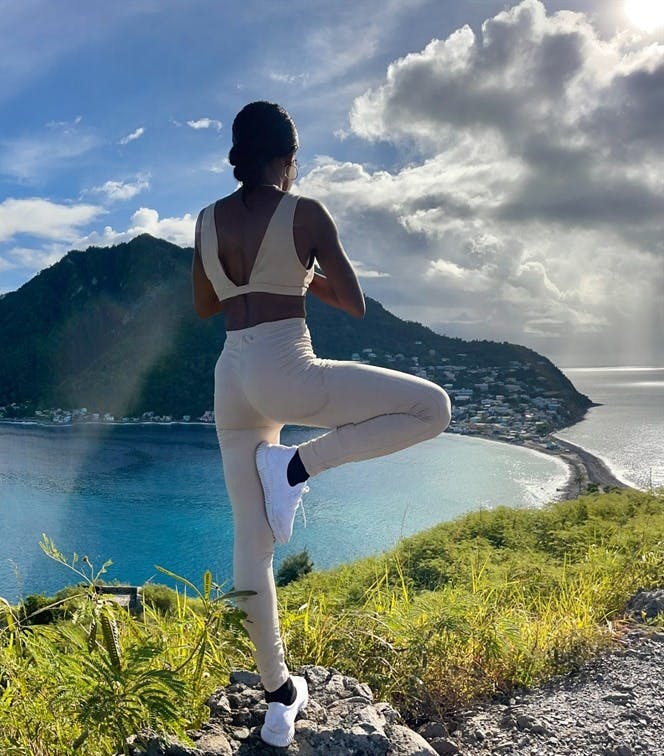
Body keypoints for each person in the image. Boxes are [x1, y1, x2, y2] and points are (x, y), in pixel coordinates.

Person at [191, 101, 452, 748]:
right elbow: (354, 301)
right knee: (433, 408)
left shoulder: (204, 221)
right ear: (286, 159)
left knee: (251, 544)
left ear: (236, 154)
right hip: (288, 366)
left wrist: (256, 277)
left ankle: (279, 697)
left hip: (231, 378)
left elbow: (205, 304)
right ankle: (299, 465)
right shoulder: (303, 212)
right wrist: (301, 276)